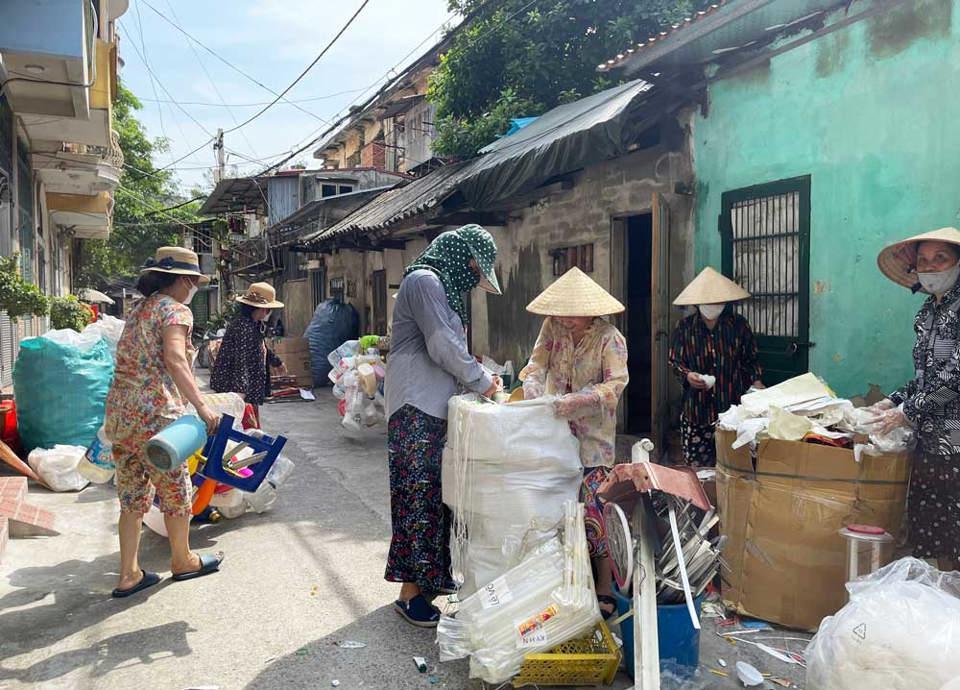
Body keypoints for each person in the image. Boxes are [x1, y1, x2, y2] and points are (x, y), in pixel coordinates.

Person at [384, 224, 502, 627]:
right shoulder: (424, 281)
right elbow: (441, 346)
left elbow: (451, 350)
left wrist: (477, 375)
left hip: (433, 408)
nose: (473, 274)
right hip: (415, 406)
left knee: (435, 501)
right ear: (457, 254)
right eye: (472, 265)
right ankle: (411, 594)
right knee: (419, 501)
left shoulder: (445, 292)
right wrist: (483, 381)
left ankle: (424, 586)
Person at [104, 247, 224, 598]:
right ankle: (182, 559)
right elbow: (174, 357)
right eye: (194, 281)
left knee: (131, 497)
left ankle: (128, 573)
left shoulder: (139, 309)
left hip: (121, 417)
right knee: (176, 490)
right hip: (156, 418)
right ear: (185, 280)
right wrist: (203, 407)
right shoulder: (175, 310)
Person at [519, 267, 629, 620]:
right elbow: (535, 364)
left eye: (570, 313)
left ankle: (603, 584)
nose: (564, 319)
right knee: (557, 506)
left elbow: (616, 384)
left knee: (594, 508)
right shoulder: (552, 327)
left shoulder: (610, 338)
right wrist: (535, 386)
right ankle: (562, 577)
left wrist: (580, 400)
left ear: (588, 310)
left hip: (594, 439)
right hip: (555, 434)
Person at [873, 227, 960, 569]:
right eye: (923, 260)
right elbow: (925, 377)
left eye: (941, 258)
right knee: (929, 533)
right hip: (929, 443)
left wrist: (908, 411)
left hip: (956, 442)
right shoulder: (926, 312)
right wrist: (893, 400)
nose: (931, 266)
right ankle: (940, 605)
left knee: (955, 534)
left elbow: (956, 377)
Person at [669, 267, 763, 467]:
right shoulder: (684, 328)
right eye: (708, 302)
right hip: (697, 410)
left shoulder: (738, 326)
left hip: (732, 409)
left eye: (718, 302)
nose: (713, 306)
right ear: (697, 303)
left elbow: (751, 359)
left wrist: (756, 382)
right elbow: (675, 362)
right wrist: (688, 376)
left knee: (734, 466)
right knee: (699, 470)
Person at [210, 282, 285, 426]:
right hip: (236, 387)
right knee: (240, 426)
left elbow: (260, 347)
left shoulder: (254, 325)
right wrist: (241, 393)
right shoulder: (242, 327)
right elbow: (241, 360)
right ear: (254, 308)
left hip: (248, 387)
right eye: (265, 310)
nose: (266, 313)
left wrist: (276, 361)